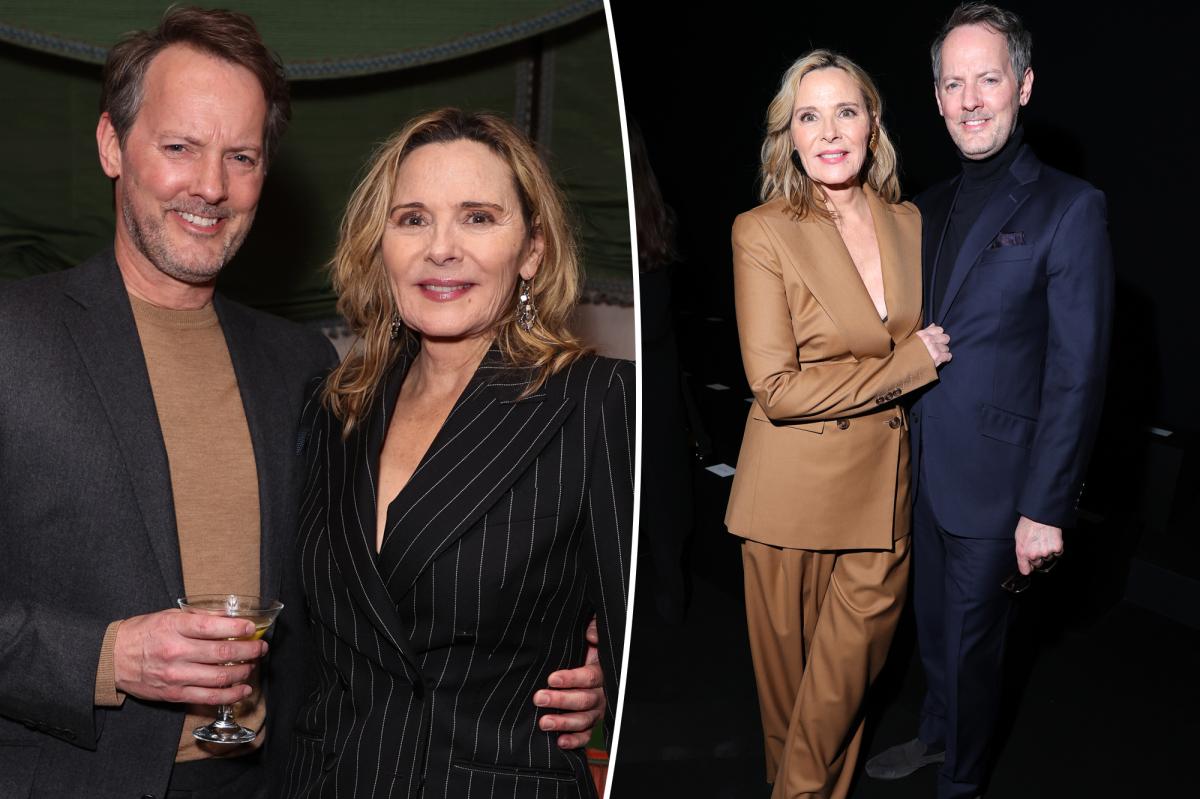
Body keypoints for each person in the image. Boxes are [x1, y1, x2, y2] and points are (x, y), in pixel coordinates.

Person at [0, 10, 602, 799]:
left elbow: (363, 603)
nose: (210, 186)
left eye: (241, 156)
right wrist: (107, 659)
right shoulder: (14, 337)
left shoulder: (304, 370)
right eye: (179, 147)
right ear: (113, 145)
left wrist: (571, 657)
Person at [279, 109, 633, 799]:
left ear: (531, 249)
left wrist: (607, 687)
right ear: (380, 244)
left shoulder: (598, 401)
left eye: (477, 217)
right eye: (413, 218)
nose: (441, 248)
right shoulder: (335, 406)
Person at [864, 5, 1113, 798]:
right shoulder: (925, 208)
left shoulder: (1069, 207)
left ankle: (961, 782)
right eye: (953, 83)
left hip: (1000, 489)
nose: (970, 100)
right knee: (935, 634)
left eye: (989, 79)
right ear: (936, 96)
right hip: (918, 473)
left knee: (975, 650)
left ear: (1024, 86)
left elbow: (1078, 371)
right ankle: (937, 734)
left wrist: (1046, 507)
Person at [724, 51, 951, 799]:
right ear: (788, 135)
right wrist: (908, 365)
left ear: (872, 124)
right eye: (809, 116)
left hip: (883, 502)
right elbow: (777, 389)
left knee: (837, 703)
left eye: (845, 112)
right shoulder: (762, 231)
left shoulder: (912, 223)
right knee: (792, 718)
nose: (829, 132)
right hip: (788, 502)